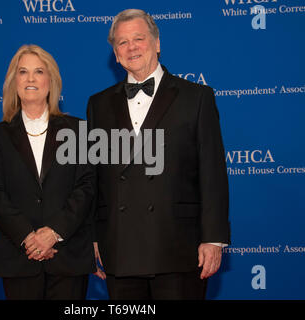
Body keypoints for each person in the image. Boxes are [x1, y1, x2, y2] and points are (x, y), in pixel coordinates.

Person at [87, 9, 230, 300]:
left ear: (157, 43)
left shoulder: (197, 97)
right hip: (120, 247)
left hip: (178, 246)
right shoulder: (98, 104)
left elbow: (212, 172)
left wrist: (213, 238)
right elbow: (94, 177)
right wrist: (91, 236)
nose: (131, 48)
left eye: (138, 38)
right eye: (122, 43)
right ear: (115, 54)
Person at [0, 44, 96, 300]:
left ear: (51, 81)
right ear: (14, 81)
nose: (31, 79)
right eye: (23, 72)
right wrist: (28, 237)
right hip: (19, 257)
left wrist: (53, 232)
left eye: (39, 71)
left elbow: (86, 186)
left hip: (68, 256)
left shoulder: (77, 130)